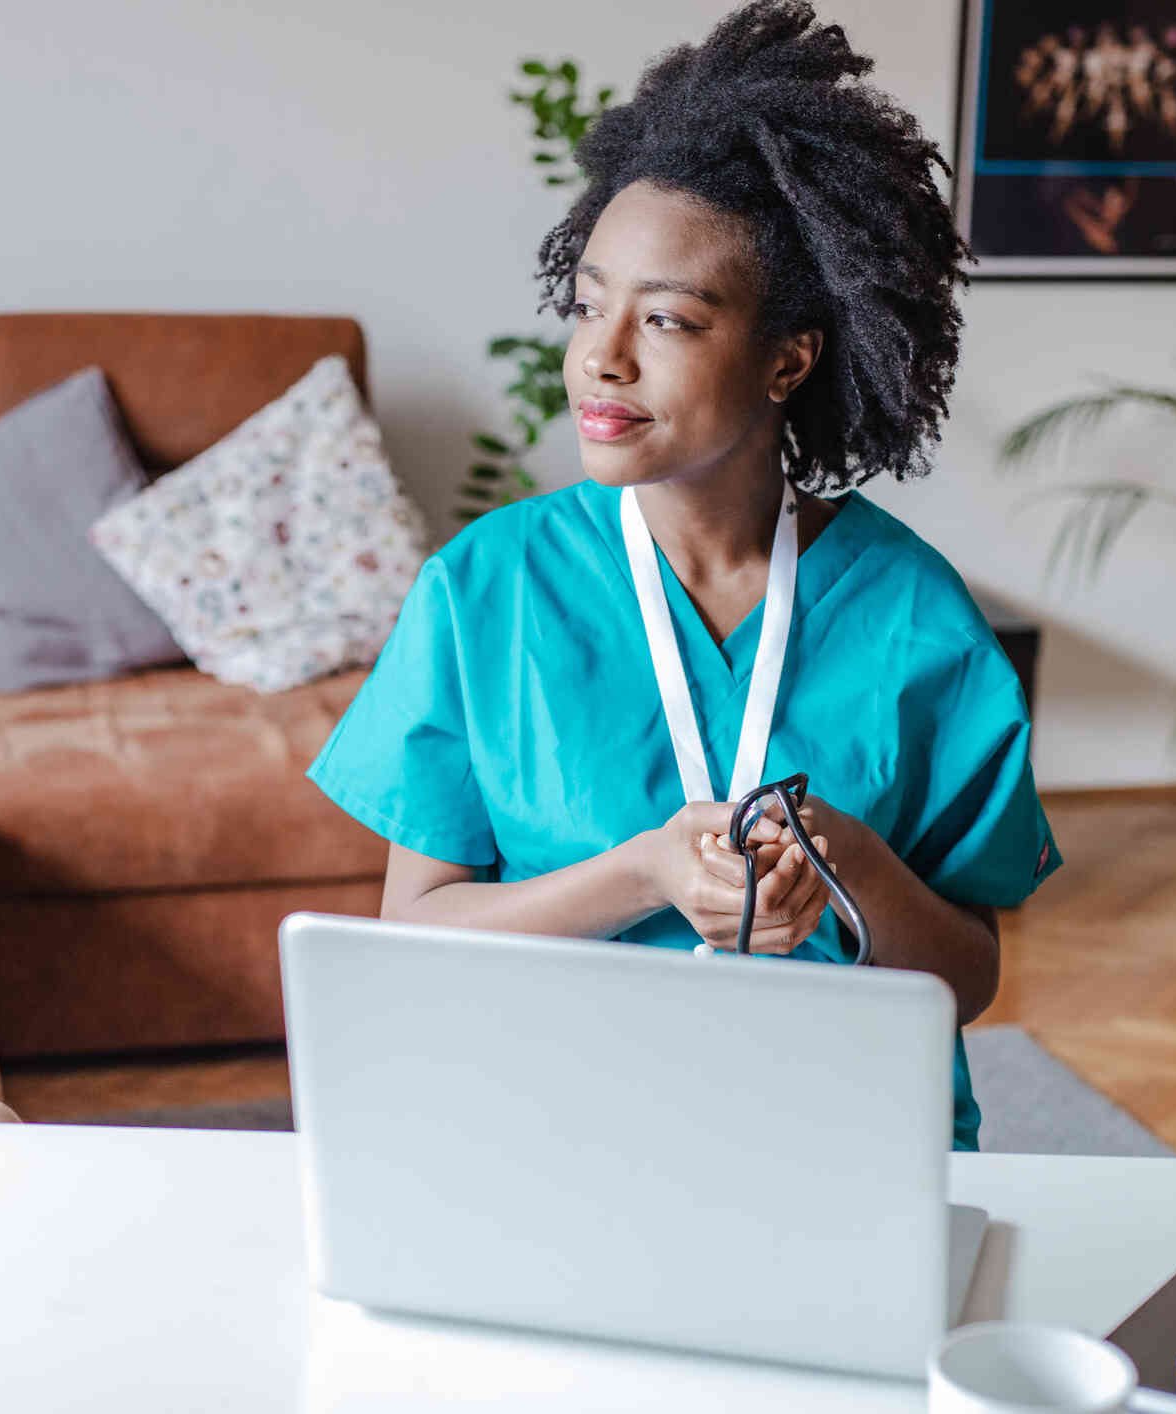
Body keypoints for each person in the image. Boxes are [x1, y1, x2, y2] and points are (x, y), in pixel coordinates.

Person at [306, 0, 1063, 1151]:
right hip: (551, 1138)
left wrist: (851, 866)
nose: (601, 357)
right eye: (589, 304)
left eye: (664, 318)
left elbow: (970, 980)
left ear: (787, 360)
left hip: (836, 1143)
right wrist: (649, 872)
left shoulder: (915, 616)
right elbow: (415, 932)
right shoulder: (486, 590)